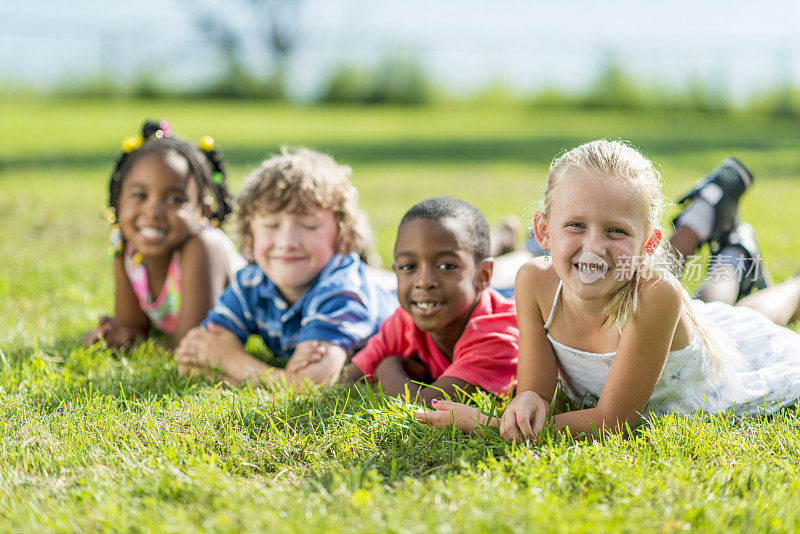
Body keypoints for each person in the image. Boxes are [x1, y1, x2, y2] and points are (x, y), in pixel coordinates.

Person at [416, 139, 800, 440]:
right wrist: (526, 403)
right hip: (685, 326)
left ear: (650, 244)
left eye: (616, 231)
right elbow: (536, 396)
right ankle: (736, 253)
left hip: (706, 379)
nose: (594, 246)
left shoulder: (655, 294)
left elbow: (612, 423)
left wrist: (485, 424)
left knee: (750, 325)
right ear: (543, 231)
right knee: (728, 313)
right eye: (576, 226)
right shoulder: (533, 280)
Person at [174, 148, 396, 387]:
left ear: (341, 235)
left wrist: (232, 361)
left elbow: (309, 386)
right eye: (271, 225)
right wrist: (280, 378)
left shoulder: (341, 292)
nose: (288, 243)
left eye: (309, 226)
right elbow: (195, 358)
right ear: (251, 233)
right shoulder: (251, 282)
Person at [339, 197, 519, 405]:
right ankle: (502, 238)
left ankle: (504, 237)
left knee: (523, 264)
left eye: (446, 266)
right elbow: (346, 382)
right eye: (408, 266)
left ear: (484, 276)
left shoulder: (497, 336)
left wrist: (388, 367)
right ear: (396, 271)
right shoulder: (404, 321)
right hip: (481, 290)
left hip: (507, 291)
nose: (424, 282)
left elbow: (426, 410)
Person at [82, 120, 244, 349]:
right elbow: (133, 326)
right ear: (119, 201)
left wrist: (136, 345)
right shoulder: (126, 246)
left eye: (173, 199)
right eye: (139, 195)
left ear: (203, 211)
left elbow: (191, 347)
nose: (152, 212)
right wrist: (112, 335)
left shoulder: (204, 245)